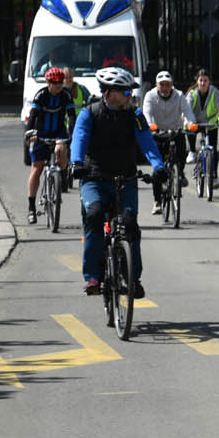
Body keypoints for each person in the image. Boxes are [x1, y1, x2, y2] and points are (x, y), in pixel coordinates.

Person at [69, 66, 165, 296]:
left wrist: (158, 166)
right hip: (94, 177)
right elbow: (79, 138)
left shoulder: (134, 114)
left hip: (125, 178)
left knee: (130, 224)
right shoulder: (89, 113)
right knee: (94, 215)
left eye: (130, 93)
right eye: (126, 92)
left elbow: (146, 141)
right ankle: (93, 276)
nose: (130, 96)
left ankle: (132, 277)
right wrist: (76, 163)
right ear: (109, 93)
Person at [21, 67, 76, 223]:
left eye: (60, 82)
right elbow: (32, 117)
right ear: (47, 82)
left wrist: (73, 133)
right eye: (54, 82)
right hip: (41, 133)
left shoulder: (66, 95)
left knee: (62, 151)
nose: (57, 85)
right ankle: (31, 208)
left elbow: (72, 117)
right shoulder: (41, 95)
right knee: (37, 168)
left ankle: (61, 179)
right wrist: (31, 133)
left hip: (59, 132)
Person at [142, 70, 198, 214]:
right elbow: (146, 113)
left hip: (175, 131)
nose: (165, 88)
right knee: (158, 170)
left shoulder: (179, 95)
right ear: (157, 85)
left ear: (172, 85)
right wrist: (150, 124)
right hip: (158, 133)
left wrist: (191, 123)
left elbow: (188, 112)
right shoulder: (150, 96)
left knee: (181, 153)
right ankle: (157, 202)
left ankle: (180, 173)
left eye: (168, 85)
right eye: (162, 85)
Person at [186, 68, 219, 190]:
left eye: (205, 80)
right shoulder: (192, 94)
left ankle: (214, 176)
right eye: (201, 80)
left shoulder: (215, 93)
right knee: (190, 130)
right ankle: (192, 151)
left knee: (213, 149)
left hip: (210, 123)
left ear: (209, 81)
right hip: (195, 122)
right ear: (197, 81)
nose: (203, 83)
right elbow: (187, 110)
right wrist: (189, 122)